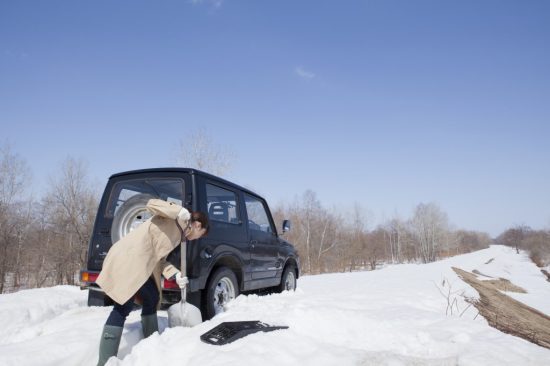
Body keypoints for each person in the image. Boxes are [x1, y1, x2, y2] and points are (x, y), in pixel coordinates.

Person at [95, 198, 209, 366]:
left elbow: (160, 259)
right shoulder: (176, 217)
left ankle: (151, 344)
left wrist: (176, 275)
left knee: (152, 297)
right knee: (122, 307)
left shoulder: (178, 236)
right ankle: (104, 362)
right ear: (198, 225)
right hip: (128, 260)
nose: (198, 238)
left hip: (140, 267)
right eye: (201, 234)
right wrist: (178, 210)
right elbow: (151, 203)